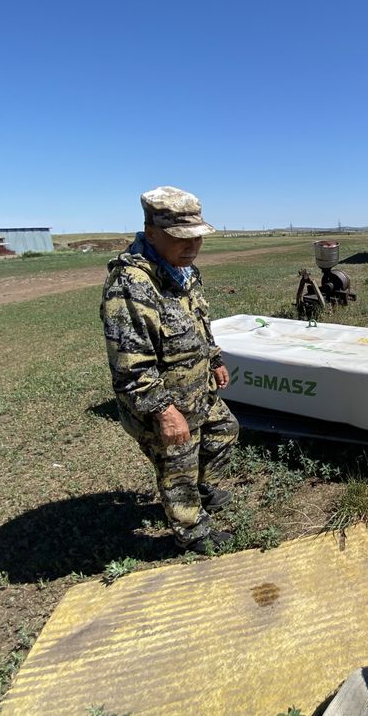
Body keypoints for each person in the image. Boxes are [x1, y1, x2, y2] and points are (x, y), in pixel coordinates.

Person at [100, 186, 239, 554]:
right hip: (164, 402)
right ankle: (192, 534)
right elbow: (130, 363)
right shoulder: (131, 285)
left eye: (197, 236)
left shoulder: (184, 271)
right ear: (151, 233)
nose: (192, 245)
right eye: (181, 237)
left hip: (197, 389)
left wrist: (215, 358)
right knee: (177, 466)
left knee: (224, 431)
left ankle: (202, 488)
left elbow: (199, 322)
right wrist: (163, 411)